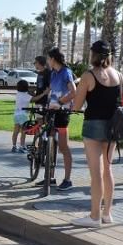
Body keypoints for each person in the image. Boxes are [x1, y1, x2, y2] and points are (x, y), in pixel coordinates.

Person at [70, 41, 123, 227]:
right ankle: (107, 214)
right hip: (113, 126)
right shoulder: (118, 75)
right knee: (108, 170)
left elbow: (76, 105)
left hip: (94, 125)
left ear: (93, 55)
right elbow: (122, 101)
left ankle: (94, 216)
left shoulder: (88, 75)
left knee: (96, 173)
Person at [46, 47, 76, 190]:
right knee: (50, 146)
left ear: (53, 59)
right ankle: (50, 177)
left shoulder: (66, 72)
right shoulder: (53, 73)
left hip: (62, 113)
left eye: (48, 59)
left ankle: (67, 179)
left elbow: (73, 92)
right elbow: (51, 91)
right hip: (51, 111)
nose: (47, 61)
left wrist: (60, 103)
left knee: (63, 147)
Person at [12, 79, 31, 153]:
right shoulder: (26, 95)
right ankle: (22, 146)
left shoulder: (18, 94)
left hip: (16, 114)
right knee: (23, 132)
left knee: (16, 131)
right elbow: (35, 98)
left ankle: (14, 146)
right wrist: (43, 94)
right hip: (23, 115)